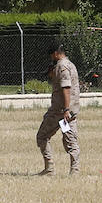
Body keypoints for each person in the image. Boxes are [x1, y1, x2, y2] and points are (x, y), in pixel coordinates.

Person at [36, 43, 80, 175]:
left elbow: (66, 88)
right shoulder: (70, 64)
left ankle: (49, 168)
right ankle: (75, 170)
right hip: (68, 112)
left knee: (42, 136)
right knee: (70, 140)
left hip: (60, 113)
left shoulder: (62, 66)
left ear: (55, 53)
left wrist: (65, 109)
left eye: (51, 55)